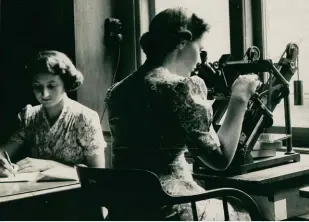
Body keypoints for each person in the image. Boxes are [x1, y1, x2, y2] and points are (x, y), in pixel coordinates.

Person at [105, 7, 260, 221]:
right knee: (244, 211)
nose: (199, 59)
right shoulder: (180, 88)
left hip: (128, 211)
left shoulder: (117, 91)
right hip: (171, 209)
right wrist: (240, 97)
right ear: (183, 43)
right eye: (200, 49)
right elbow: (220, 159)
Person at [0, 50, 106, 177]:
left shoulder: (85, 118)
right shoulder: (30, 116)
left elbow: (97, 174)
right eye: (37, 86)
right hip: (38, 191)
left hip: (78, 193)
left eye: (51, 86)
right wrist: (3, 165)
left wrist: (48, 165)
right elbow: (4, 152)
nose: (44, 94)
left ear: (65, 84)